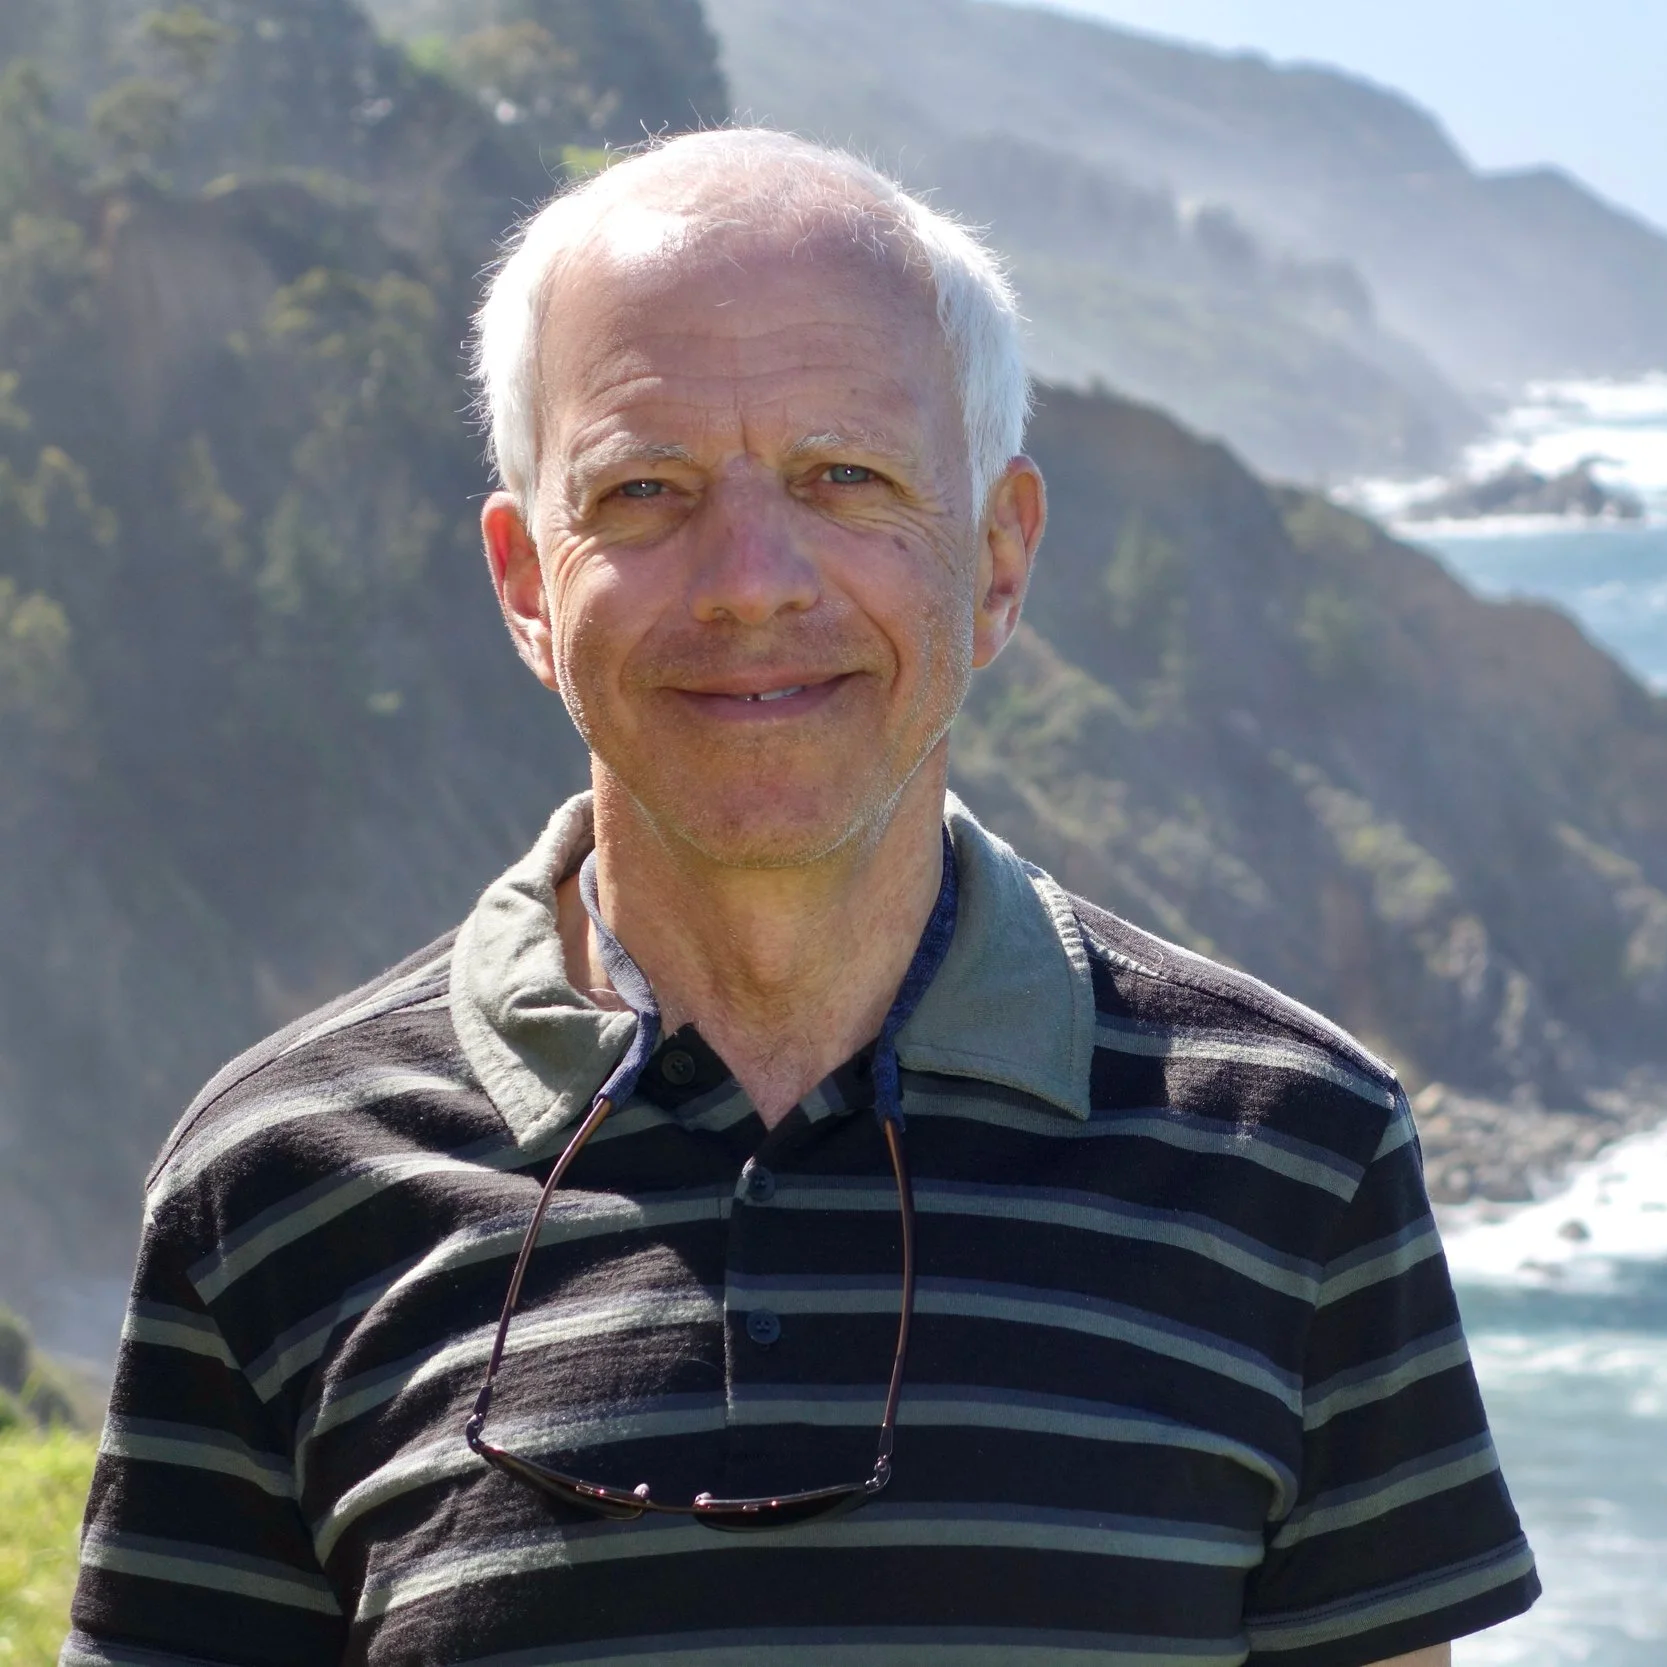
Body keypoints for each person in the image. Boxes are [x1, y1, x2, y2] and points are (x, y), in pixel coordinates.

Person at [65, 130, 1538, 1667]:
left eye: (846, 475)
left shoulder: (1295, 1160)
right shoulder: (274, 1185)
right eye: (644, 488)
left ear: (997, 557)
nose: (750, 577)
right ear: (523, 582)